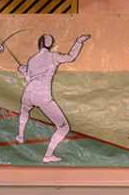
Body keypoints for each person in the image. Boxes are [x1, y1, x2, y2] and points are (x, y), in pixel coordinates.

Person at [15, 32, 91, 163]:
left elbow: (28, 78)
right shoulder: (53, 56)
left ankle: (20, 136)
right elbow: (71, 57)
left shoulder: (32, 59)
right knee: (63, 127)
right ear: (51, 44)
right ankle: (48, 155)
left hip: (28, 93)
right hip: (42, 95)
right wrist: (79, 41)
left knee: (24, 110)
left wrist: (23, 70)